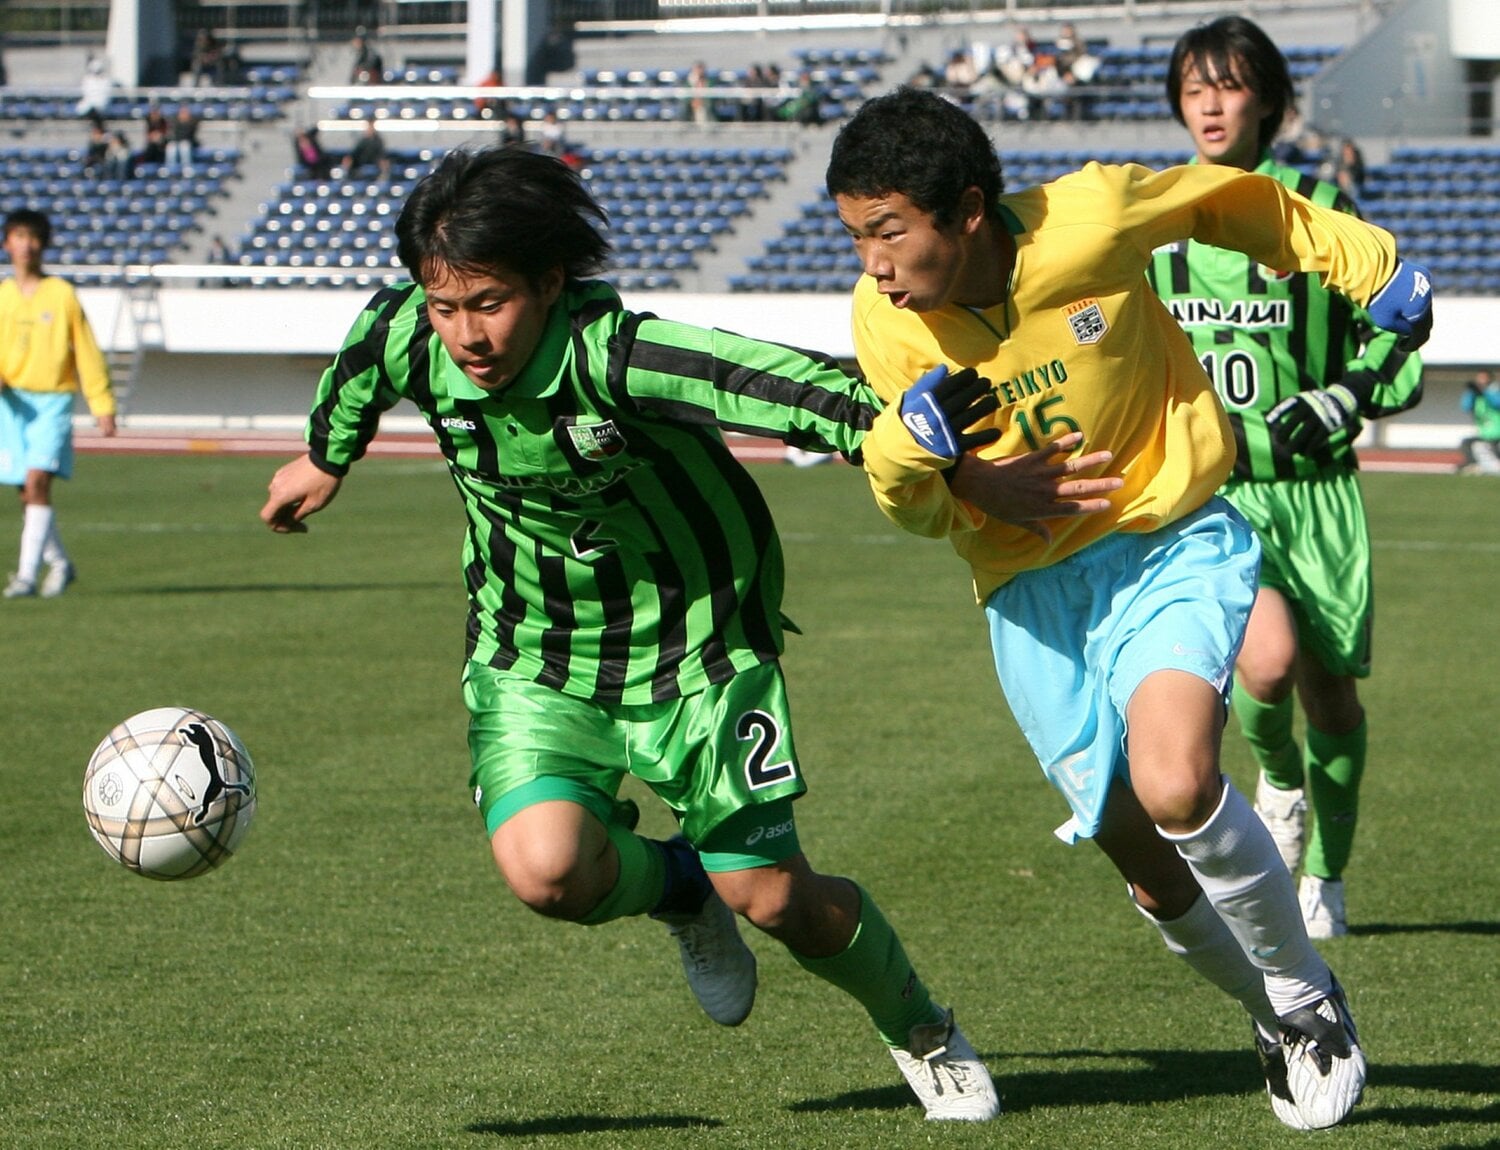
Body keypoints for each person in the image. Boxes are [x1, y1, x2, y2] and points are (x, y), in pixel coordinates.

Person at [257, 146, 1109, 1123]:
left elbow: (766, 382)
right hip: (533, 652)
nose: (465, 335)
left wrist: (898, 424)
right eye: (446, 307)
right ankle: (676, 887)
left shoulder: (617, 353)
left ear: (547, 282)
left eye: (487, 303)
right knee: (547, 871)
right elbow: (369, 353)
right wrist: (326, 457)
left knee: (778, 900)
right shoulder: (413, 329)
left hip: (699, 650)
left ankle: (918, 1023)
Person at [824, 87, 1432, 1130]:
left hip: (1166, 539)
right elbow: (908, 496)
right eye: (858, 238)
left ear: (967, 211)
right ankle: (1271, 1013)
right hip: (1028, 595)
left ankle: (1303, 991)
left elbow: (1237, 204)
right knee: (1141, 862)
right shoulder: (887, 324)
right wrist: (960, 478)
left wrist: (1368, 266)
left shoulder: (1090, 219)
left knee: (1176, 780)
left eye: (888, 234)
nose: (872, 264)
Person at [1149, 15, 1425, 943]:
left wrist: (1346, 397)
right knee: (1261, 670)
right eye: (1195, 89)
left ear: (1266, 99)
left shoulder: (1318, 212)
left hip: (1320, 496)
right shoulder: (1153, 220)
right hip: (1219, 499)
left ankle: (1328, 876)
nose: (1211, 104)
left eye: (1228, 86)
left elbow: (1399, 324)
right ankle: (1279, 782)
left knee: (1332, 698)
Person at [0, 209, 117, 599]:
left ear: (42, 245)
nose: (26, 245)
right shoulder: (2, 295)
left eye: (33, 238)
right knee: (26, 492)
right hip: (11, 405)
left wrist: (101, 403)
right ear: (7, 243)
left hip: (51, 402)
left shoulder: (62, 295)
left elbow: (85, 350)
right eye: (19, 236)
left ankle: (25, 577)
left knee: (37, 483)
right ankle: (61, 564)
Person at [1459, 368, 1500, 474]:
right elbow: (1465, 407)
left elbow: (1497, 403)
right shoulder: (1476, 396)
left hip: (1497, 431)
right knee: (1466, 443)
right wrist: (1471, 392)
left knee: (1496, 451)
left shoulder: (1495, 391)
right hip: (1484, 432)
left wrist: (1485, 392)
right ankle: (1472, 464)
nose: (1481, 381)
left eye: (1484, 378)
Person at [166, 104, 200, 169]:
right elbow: (173, 135)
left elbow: (189, 135)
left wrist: (185, 122)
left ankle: (186, 168)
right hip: (176, 141)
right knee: (171, 147)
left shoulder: (192, 122)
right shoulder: (175, 122)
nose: (183, 114)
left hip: (188, 143)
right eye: (182, 112)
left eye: (185, 112)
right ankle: (171, 169)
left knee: (184, 146)